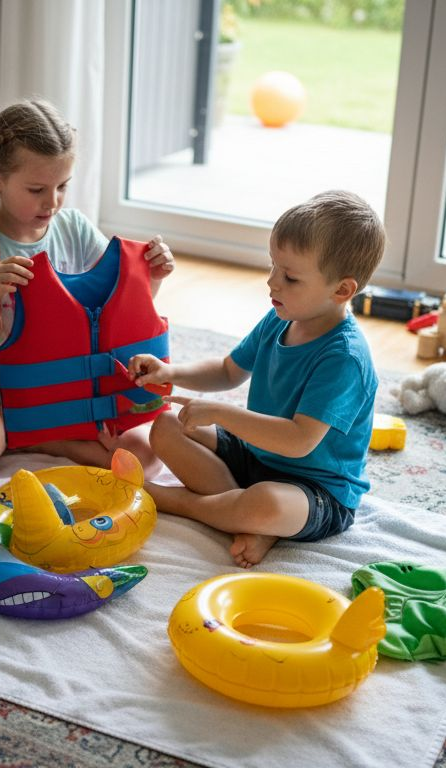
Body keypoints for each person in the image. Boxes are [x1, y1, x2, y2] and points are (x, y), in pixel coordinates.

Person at [0, 98, 176, 499]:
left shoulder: (73, 227)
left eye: (62, 186)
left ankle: (41, 439)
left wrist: (153, 278)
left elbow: (117, 315)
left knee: (146, 458)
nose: (53, 201)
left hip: (71, 392)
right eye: (37, 189)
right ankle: (24, 434)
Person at [129, 190, 386, 568]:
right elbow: (228, 370)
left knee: (267, 503)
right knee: (167, 426)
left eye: (290, 277)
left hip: (316, 490)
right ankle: (245, 519)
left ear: (342, 290)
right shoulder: (282, 317)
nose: (272, 282)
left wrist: (220, 413)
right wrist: (171, 372)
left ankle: (183, 503)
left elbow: (298, 441)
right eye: (273, 266)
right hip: (256, 457)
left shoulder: (344, 358)